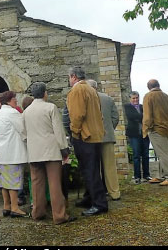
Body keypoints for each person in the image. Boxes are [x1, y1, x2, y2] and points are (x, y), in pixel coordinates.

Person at [23, 82, 76, 224]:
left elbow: (23, 133)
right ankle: (59, 215)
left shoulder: (26, 111)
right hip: (51, 150)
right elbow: (58, 130)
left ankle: (38, 212)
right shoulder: (50, 107)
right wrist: (64, 149)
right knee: (54, 184)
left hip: (34, 151)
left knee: (37, 184)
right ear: (45, 93)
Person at [67, 67, 108, 216]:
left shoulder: (77, 91)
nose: (69, 80)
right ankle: (90, 197)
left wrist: (74, 132)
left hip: (85, 136)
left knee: (90, 171)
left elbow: (77, 115)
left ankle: (99, 203)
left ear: (73, 77)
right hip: (95, 134)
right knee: (91, 169)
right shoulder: (91, 89)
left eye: (69, 77)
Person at [0, 91, 28, 218]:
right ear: (8, 100)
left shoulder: (0, 113)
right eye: (14, 98)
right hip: (13, 152)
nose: (16, 100)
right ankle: (15, 207)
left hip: (3, 152)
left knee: (4, 182)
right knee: (14, 181)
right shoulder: (12, 112)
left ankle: (6, 206)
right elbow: (23, 129)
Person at [87, 80, 120, 200]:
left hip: (92, 138)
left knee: (95, 166)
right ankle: (115, 193)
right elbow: (115, 117)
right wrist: (109, 129)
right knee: (110, 166)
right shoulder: (108, 98)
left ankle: (99, 193)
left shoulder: (87, 99)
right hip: (107, 137)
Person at [143, 79, 168, 186]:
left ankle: (167, 176)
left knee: (163, 154)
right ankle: (160, 176)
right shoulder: (165, 96)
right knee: (161, 152)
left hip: (156, 129)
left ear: (148, 87)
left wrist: (145, 129)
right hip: (166, 128)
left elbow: (147, 116)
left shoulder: (148, 96)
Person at [124, 91, 151, 184]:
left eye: (137, 98)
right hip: (134, 134)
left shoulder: (143, 107)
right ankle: (137, 176)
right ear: (130, 99)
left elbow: (148, 117)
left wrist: (142, 118)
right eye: (133, 98)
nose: (135, 100)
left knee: (146, 155)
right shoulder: (127, 107)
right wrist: (143, 117)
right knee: (136, 156)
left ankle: (147, 175)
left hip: (144, 134)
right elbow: (132, 116)